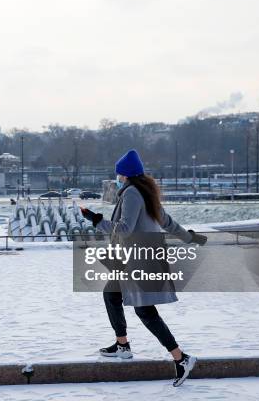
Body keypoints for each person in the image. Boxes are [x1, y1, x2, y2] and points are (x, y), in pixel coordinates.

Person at [81, 149, 207, 388]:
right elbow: (167, 222)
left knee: (145, 312)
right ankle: (122, 345)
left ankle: (181, 358)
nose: (117, 177)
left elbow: (125, 228)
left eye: (118, 173)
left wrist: (96, 221)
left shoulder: (131, 194)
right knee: (111, 294)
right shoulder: (145, 193)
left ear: (124, 174)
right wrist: (190, 238)